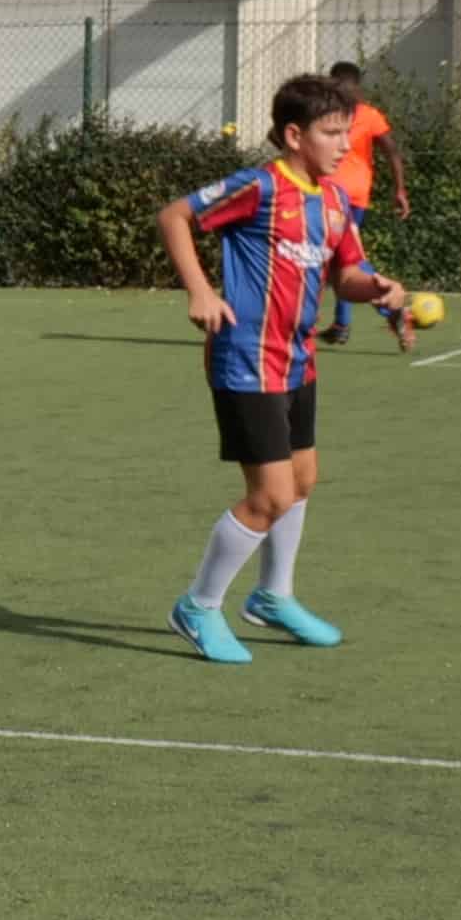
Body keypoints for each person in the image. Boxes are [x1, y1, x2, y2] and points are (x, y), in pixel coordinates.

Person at [158, 77, 419, 661]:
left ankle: (273, 597)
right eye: (331, 133)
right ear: (295, 135)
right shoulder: (258, 186)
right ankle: (197, 607)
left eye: (347, 133)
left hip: (298, 362)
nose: (345, 146)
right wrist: (200, 291)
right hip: (246, 360)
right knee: (270, 496)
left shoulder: (334, 202)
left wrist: (376, 287)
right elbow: (174, 216)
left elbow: (346, 273)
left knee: (302, 482)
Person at [312, 68, 406, 338]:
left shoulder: (368, 116)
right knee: (338, 259)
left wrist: (400, 188)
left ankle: (390, 306)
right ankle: (341, 324)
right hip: (327, 194)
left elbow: (392, 151)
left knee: (344, 259)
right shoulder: (324, 113)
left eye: (348, 86)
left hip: (347, 198)